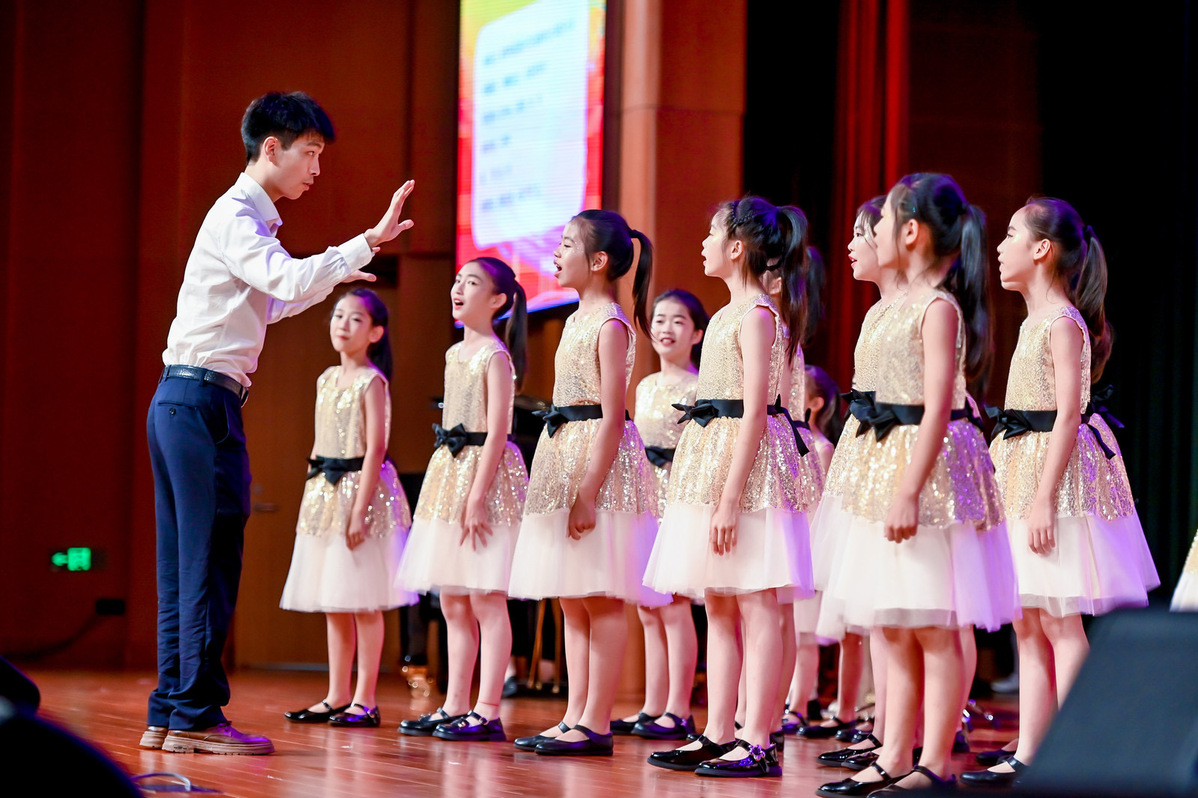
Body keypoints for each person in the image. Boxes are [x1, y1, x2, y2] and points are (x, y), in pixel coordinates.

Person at [142, 90, 415, 755]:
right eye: (311, 154)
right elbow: (287, 285)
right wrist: (360, 246)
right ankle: (194, 716)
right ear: (272, 148)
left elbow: (274, 305)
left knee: (187, 567)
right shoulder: (238, 214)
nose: (315, 171)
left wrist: (337, 266)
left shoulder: (247, 224)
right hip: (200, 404)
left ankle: (172, 711)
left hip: (185, 401)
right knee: (206, 563)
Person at [816, 173, 1016, 795]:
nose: (871, 233)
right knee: (891, 618)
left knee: (933, 619)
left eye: (882, 222)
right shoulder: (887, 308)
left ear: (910, 231)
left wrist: (908, 487)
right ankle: (893, 754)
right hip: (879, 465)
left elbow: (936, 406)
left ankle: (934, 760)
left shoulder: (937, 308)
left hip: (925, 472)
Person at [960, 198, 1159, 787]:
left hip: (1057, 476)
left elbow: (1070, 413)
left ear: (1043, 249)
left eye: (1014, 234)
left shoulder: (1063, 322)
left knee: (1061, 620)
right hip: (1023, 466)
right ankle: (1032, 749)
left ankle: (1077, 749)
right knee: (1028, 619)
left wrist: (1044, 498)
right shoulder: (1035, 320)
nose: (1000, 246)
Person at [644, 196, 818, 778]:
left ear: (737, 247)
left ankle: (758, 736)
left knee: (755, 598)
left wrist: (727, 496)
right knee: (718, 600)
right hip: (708, 460)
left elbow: (755, 412)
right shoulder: (724, 315)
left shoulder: (758, 315)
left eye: (711, 233)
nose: (702, 242)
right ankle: (719, 731)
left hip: (746, 471)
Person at [507, 210, 662, 756]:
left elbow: (615, 416)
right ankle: (573, 713)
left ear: (598, 261)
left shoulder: (611, 323)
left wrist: (589, 490)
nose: (556, 253)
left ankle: (597, 720)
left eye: (567, 244)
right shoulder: (574, 318)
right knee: (572, 596)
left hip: (599, 464)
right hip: (562, 454)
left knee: (601, 596)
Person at [395, 257, 530, 742]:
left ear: (497, 301)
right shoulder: (456, 354)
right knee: (452, 598)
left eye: (471, 283)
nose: (458, 289)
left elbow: (498, 431)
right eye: (457, 281)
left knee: (485, 597)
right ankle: (454, 703)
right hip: (449, 472)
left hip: (485, 477)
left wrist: (476, 495)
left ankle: (488, 708)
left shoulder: (495, 356)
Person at [280, 289, 414, 729]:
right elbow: (321, 441)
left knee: (363, 601)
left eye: (355, 319)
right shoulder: (324, 378)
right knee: (334, 600)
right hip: (324, 491)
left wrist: (358, 509)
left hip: (362, 491)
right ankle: (337, 694)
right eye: (338, 316)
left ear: (375, 332)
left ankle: (365, 698)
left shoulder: (371, 381)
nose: (342, 324)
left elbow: (376, 447)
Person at [612, 290, 707, 742]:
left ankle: (679, 709)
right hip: (647, 500)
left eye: (678, 322)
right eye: (660, 320)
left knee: (674, 607)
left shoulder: (699, 387)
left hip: (679, 501)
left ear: (697, 333)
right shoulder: (646, 386)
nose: (666, 329)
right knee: (649, 608)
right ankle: (653, 705)